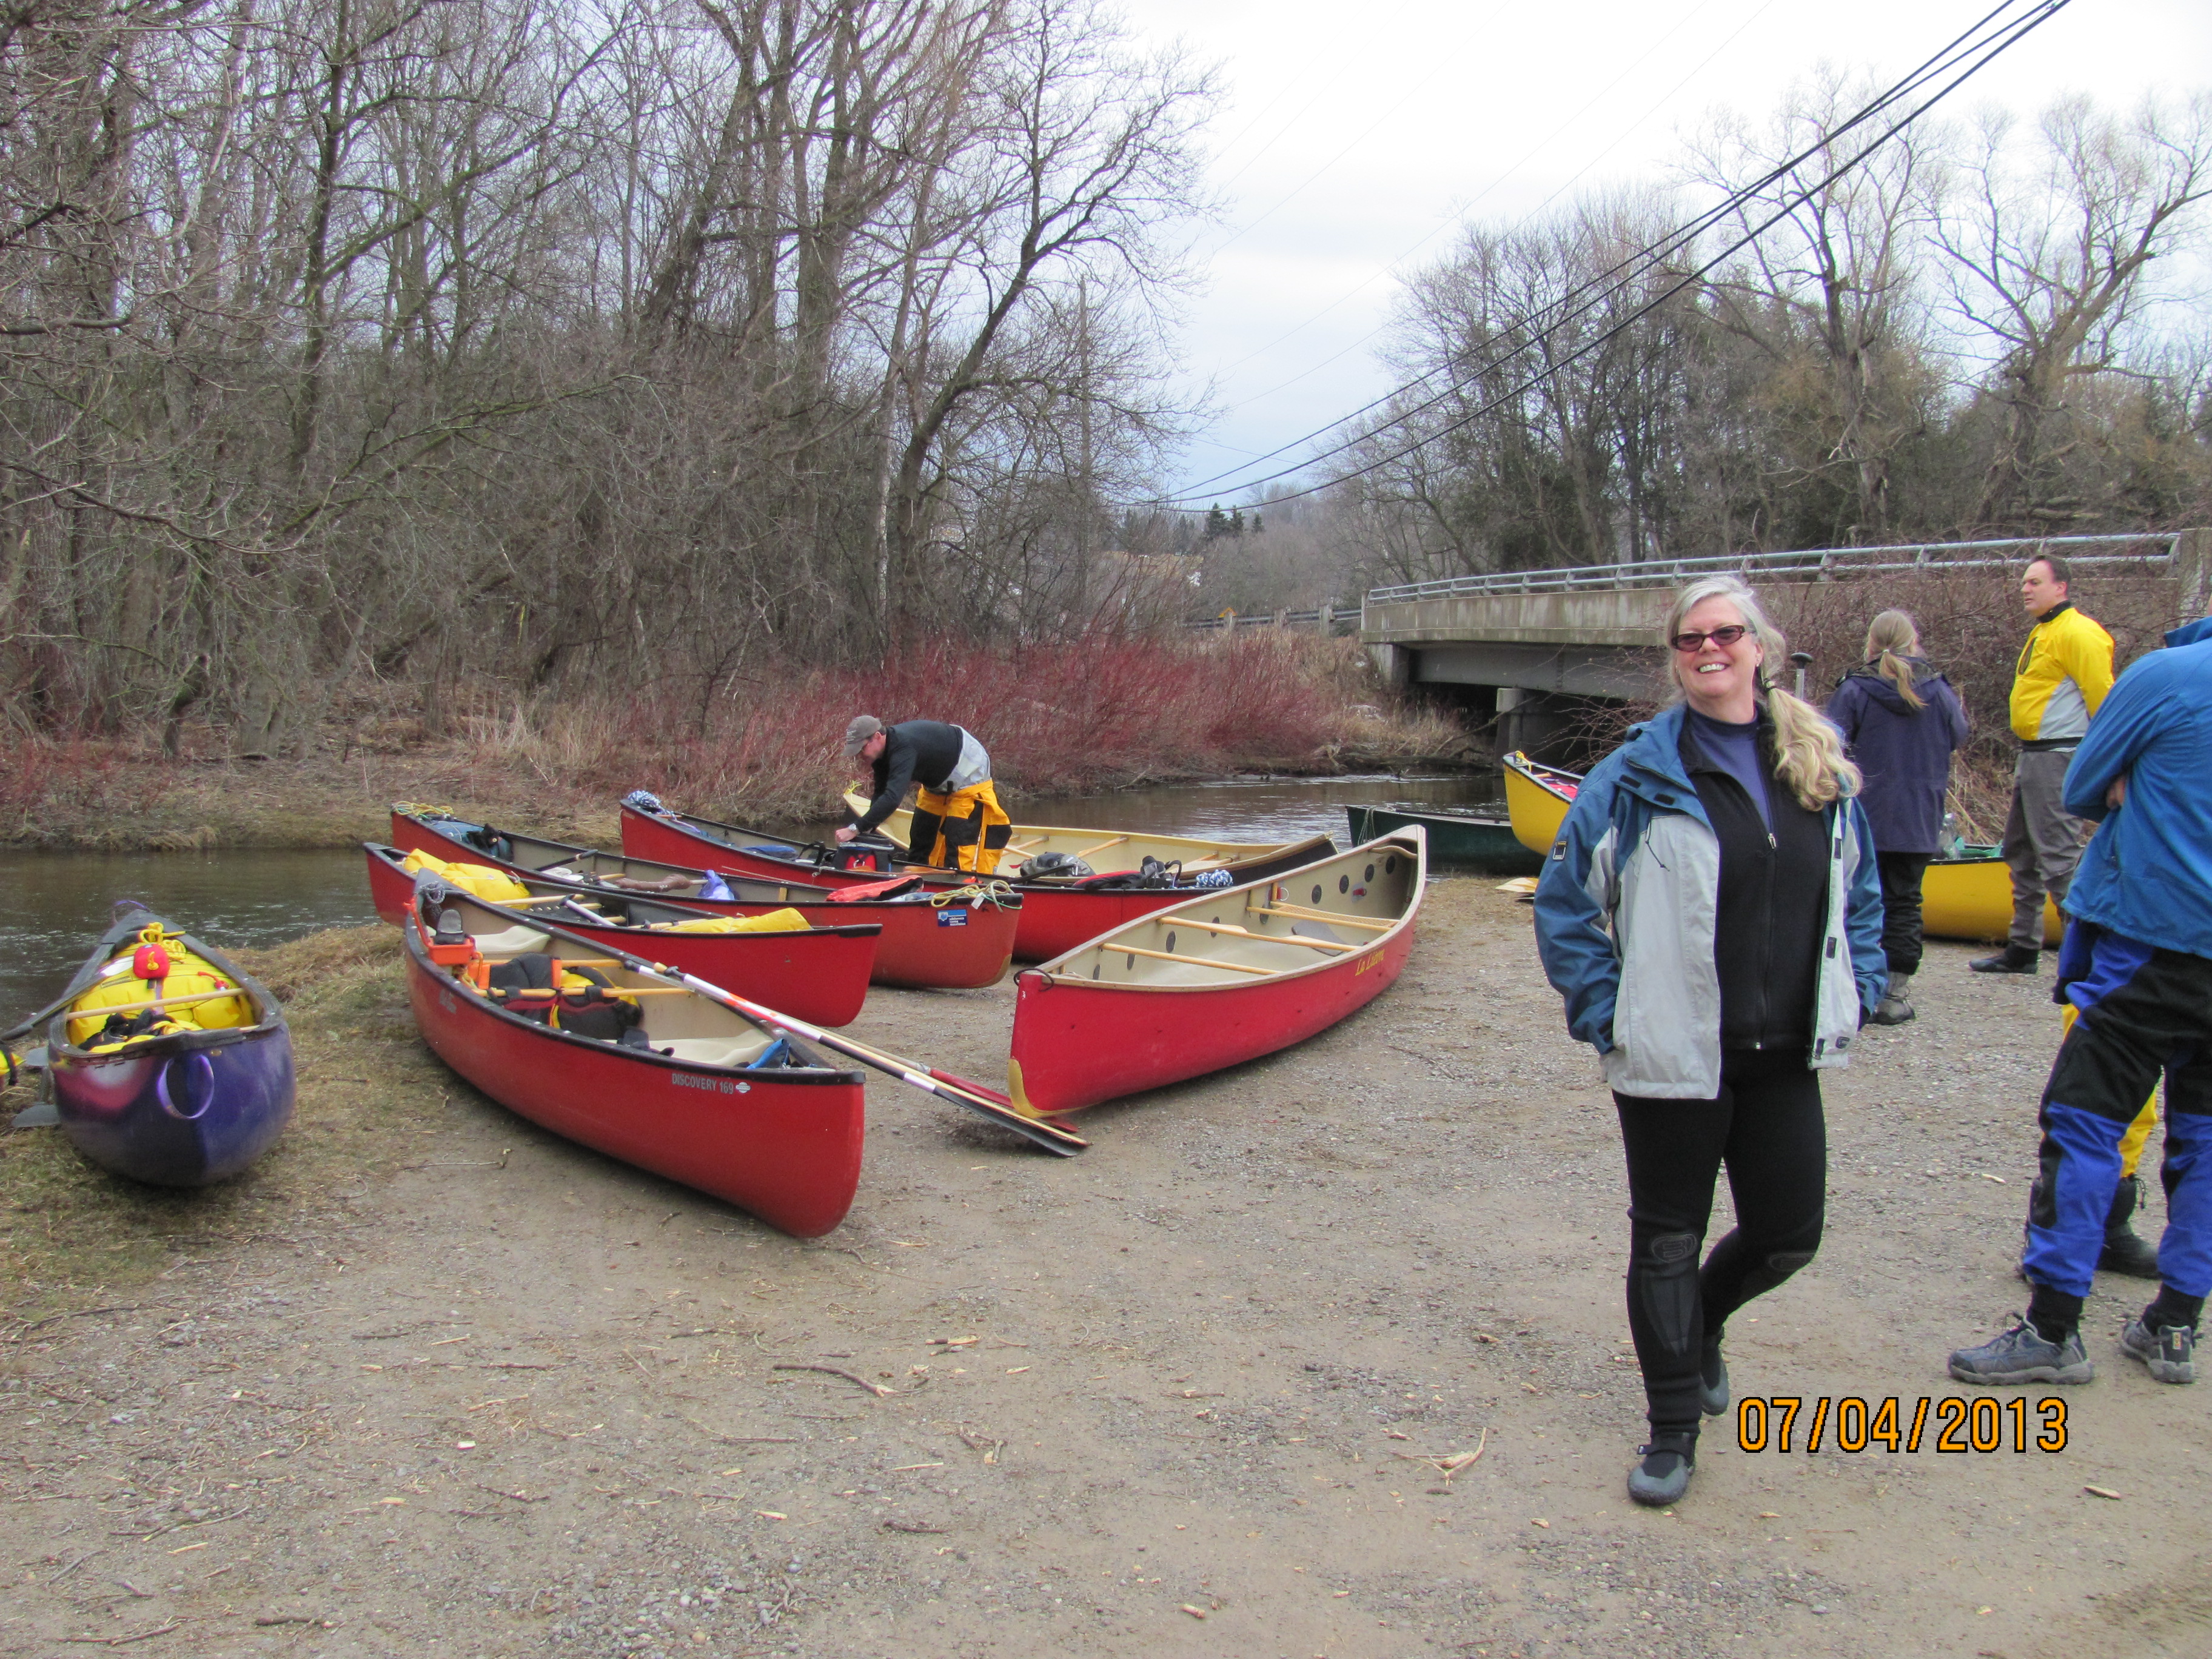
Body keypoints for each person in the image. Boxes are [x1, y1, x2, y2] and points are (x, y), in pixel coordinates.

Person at [1534, 577, 1886, 1507]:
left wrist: (1862, 985)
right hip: (1670, 1056)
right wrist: (1608, 1013)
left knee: (1787, 1235)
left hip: (1784, 1054)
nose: (1707, 651)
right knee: (1666, 1242)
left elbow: (1861, 894)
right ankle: (1672, 1430)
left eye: (1724, 633)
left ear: (1759, 647)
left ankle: (1705, 1327)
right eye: (1689, 640)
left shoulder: (1816, 767)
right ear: (1676, 659)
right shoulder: (1635, 777)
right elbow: (1567, 905)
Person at [1947, 625, 2212, 1388]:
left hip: (2154, 940)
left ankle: (2055, 1327)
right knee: (2204, 1139)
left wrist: (2139, 781)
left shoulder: (2168, 675)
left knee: (2085, 1125)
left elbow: (2082, 782)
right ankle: (2175, 1323)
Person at [1971, 554, 2114, 974]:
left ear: (2061, 587)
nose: (2025, 589)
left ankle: (2087, 957)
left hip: (2058, 756)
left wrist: (2108, 761)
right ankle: (2023, 946)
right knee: (2021, 852)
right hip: (2033, 755)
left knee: (2058, 858)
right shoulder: (2045, 630)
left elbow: (2104, 700)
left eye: (2035, 582)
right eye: (2024, 582)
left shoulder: (2080, 633)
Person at [1825, 610, 1969, 1025]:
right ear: (1914, 641)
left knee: (1853, 901)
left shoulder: (1854, 690)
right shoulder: (1939, 691)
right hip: (1918, 815)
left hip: (1864, 816)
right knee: (1905, 900)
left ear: (1870, 643)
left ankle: (1854, 984)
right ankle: (1895, 991)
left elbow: (1828, 745)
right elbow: (1958, 736)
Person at [837, 716, 1011, 875]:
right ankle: (915, 883)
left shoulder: (903, 749)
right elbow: (881, 793)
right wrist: (867, 830)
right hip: (937, 784)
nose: (861, 755)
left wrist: (855, 828)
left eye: (862, 748)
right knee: (921, 842)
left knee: (957, 847)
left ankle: (958, 885)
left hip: (969, 776)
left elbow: (893, 798)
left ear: (877, 737)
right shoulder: (881, 754)